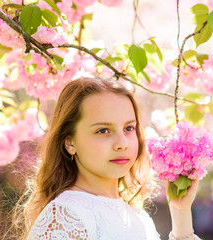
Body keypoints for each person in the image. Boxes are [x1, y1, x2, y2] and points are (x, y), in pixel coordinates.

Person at [19, 77, 201, 240]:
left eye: (129, 128)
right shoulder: (66, 216)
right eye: (103, 130)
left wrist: (180, 214)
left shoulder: (139, 217)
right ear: (70, 143)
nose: (122, 144)